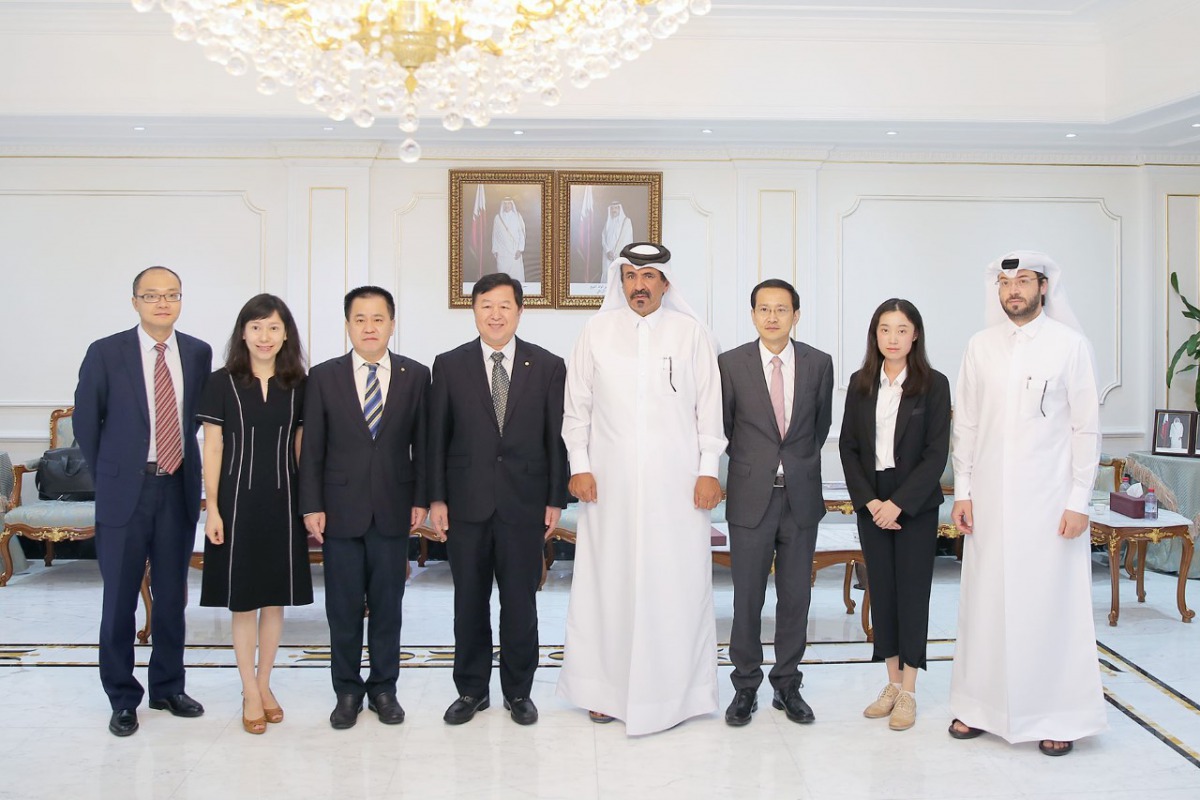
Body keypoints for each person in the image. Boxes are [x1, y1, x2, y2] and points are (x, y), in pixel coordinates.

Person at [557, 242, 726, 735]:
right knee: (607, 584)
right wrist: (580, 464)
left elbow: (708, 410)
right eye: (630, 276)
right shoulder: (596, 331)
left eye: (649, 276)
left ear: (666, 284)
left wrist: (709, 468)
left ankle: (678, 693)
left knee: (675, 585)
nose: (639, 285)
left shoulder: (691, 334)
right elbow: (577, 408)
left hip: (678, 489)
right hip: (607, 489)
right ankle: (603, 690)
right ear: (621, 281)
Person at [949, 250, 1105, 756]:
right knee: (986, 604)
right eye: (1005, 281)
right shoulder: (981, 346)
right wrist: (965, 491)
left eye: (1023, 280)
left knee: (1050, 607)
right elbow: (967, 424)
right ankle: (978, 707)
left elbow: (1086, 427)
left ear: (1044, 287)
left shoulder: (1070, 346)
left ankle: (1058, 713)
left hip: (1049, 505)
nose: (1013, 289)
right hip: (990, 505)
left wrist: (1079, 499)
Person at [74, 266, 213, 737]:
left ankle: (168, 687)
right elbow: (86, 423)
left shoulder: (197, 352)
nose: (162, 303)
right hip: (124, 494)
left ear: (180, 300)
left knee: (173, 596)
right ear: (134, 301)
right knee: (119, 600)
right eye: (151, 295)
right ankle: (121, 697)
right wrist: (112, 475)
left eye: (171, 294)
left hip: (175, 487)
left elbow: (196, 417)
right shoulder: (106, 352)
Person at [428, 272, 569, 726]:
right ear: (474, 311)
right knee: (468, 601)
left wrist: (555, 499)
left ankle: (518, 692)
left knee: (520, 602)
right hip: (466, 505)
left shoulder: (548, 366)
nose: (495, 314)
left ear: (519, 311)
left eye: (504, 305)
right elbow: (437, 440)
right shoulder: (448, 365)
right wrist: (437, 499)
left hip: (525, 505)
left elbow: (556, 440)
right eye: (486, 305)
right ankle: (471, 690)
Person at [299, 286, 429, 730]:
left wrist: (421, 499)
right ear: (348, 325)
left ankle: (384, 688)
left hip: (394, 508)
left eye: (378, 319)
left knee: (389, 605)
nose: (369, 327)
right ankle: (347, 691)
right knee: (343, 607)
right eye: (360, 319)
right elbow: (312, 447)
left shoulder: (416, 375)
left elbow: (424, 445)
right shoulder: (323, 376)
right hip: (338, 510)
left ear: (392, 324)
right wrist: (311, 504)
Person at [718, 279, 833, 727]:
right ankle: (745, 685)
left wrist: (793, 464)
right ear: (752, 315)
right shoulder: (731, 363)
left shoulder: (818, 364)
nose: (772, 317)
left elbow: (820, 426)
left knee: (796, 596)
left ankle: (787, 684)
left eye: (781, 309)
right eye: (763, 309)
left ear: (796, 315)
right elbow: (724, 428)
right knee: (746, 597)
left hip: (801, 496)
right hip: (750, 498)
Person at [197, 294, 312, 735]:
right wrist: (212, 508)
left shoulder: (298, 383)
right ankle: (248, 689)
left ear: (286, 334)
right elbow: (213, 446)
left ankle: (266, 684)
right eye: (256, 327)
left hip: (284, 501)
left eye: (274, 327)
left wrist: (309, 505)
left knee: (275, 598)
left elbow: (301, 448)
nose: (265, 337)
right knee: (243, 601)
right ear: (243, 332)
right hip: (236, 503)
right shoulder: (221, 382)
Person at [839, 299, 951, 731]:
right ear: (875, 335)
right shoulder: (861, 382)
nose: (892, 338)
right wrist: (870, 502)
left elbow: (935, 454)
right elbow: (848, 447)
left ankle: (910, 690)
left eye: (901, 329)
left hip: (915, 504)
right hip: (872, 502)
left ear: (915, 335)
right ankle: (889, 682)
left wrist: (899, 504)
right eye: (885, 329)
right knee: (882, 592)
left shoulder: (934, 384)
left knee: (912, 593)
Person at [492, 196, 527, 282]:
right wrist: (495, 250)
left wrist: (520, 249)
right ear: (502, 205)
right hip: (502, 253)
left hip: (515, 252)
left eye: (509, 204)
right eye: (505, 204)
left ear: (512, 205)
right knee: (502, 278)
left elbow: (522, 234)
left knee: (516, 277)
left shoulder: (518, 217)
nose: (507, 206)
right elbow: (494, 235)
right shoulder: (498, 218)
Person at [601, 201, 633, 265]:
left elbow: (628, 240)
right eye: (612, 208)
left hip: (619, 256)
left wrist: (617, 253)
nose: (614, 210)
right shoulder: (608, 223)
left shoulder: (626, 222)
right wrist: (608, 251)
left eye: (616, 208)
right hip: (608, 255)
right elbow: (603, 238)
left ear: (620, 209)